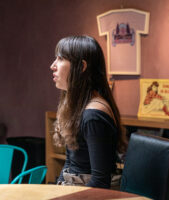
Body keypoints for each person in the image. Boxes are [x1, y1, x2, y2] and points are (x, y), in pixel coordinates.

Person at [50, 35, 127, 188]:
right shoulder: (80, 107)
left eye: (60, 59)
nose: (53, 65)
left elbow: (100, 182)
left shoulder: (93, 116)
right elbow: (70, 164)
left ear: (82, 67)